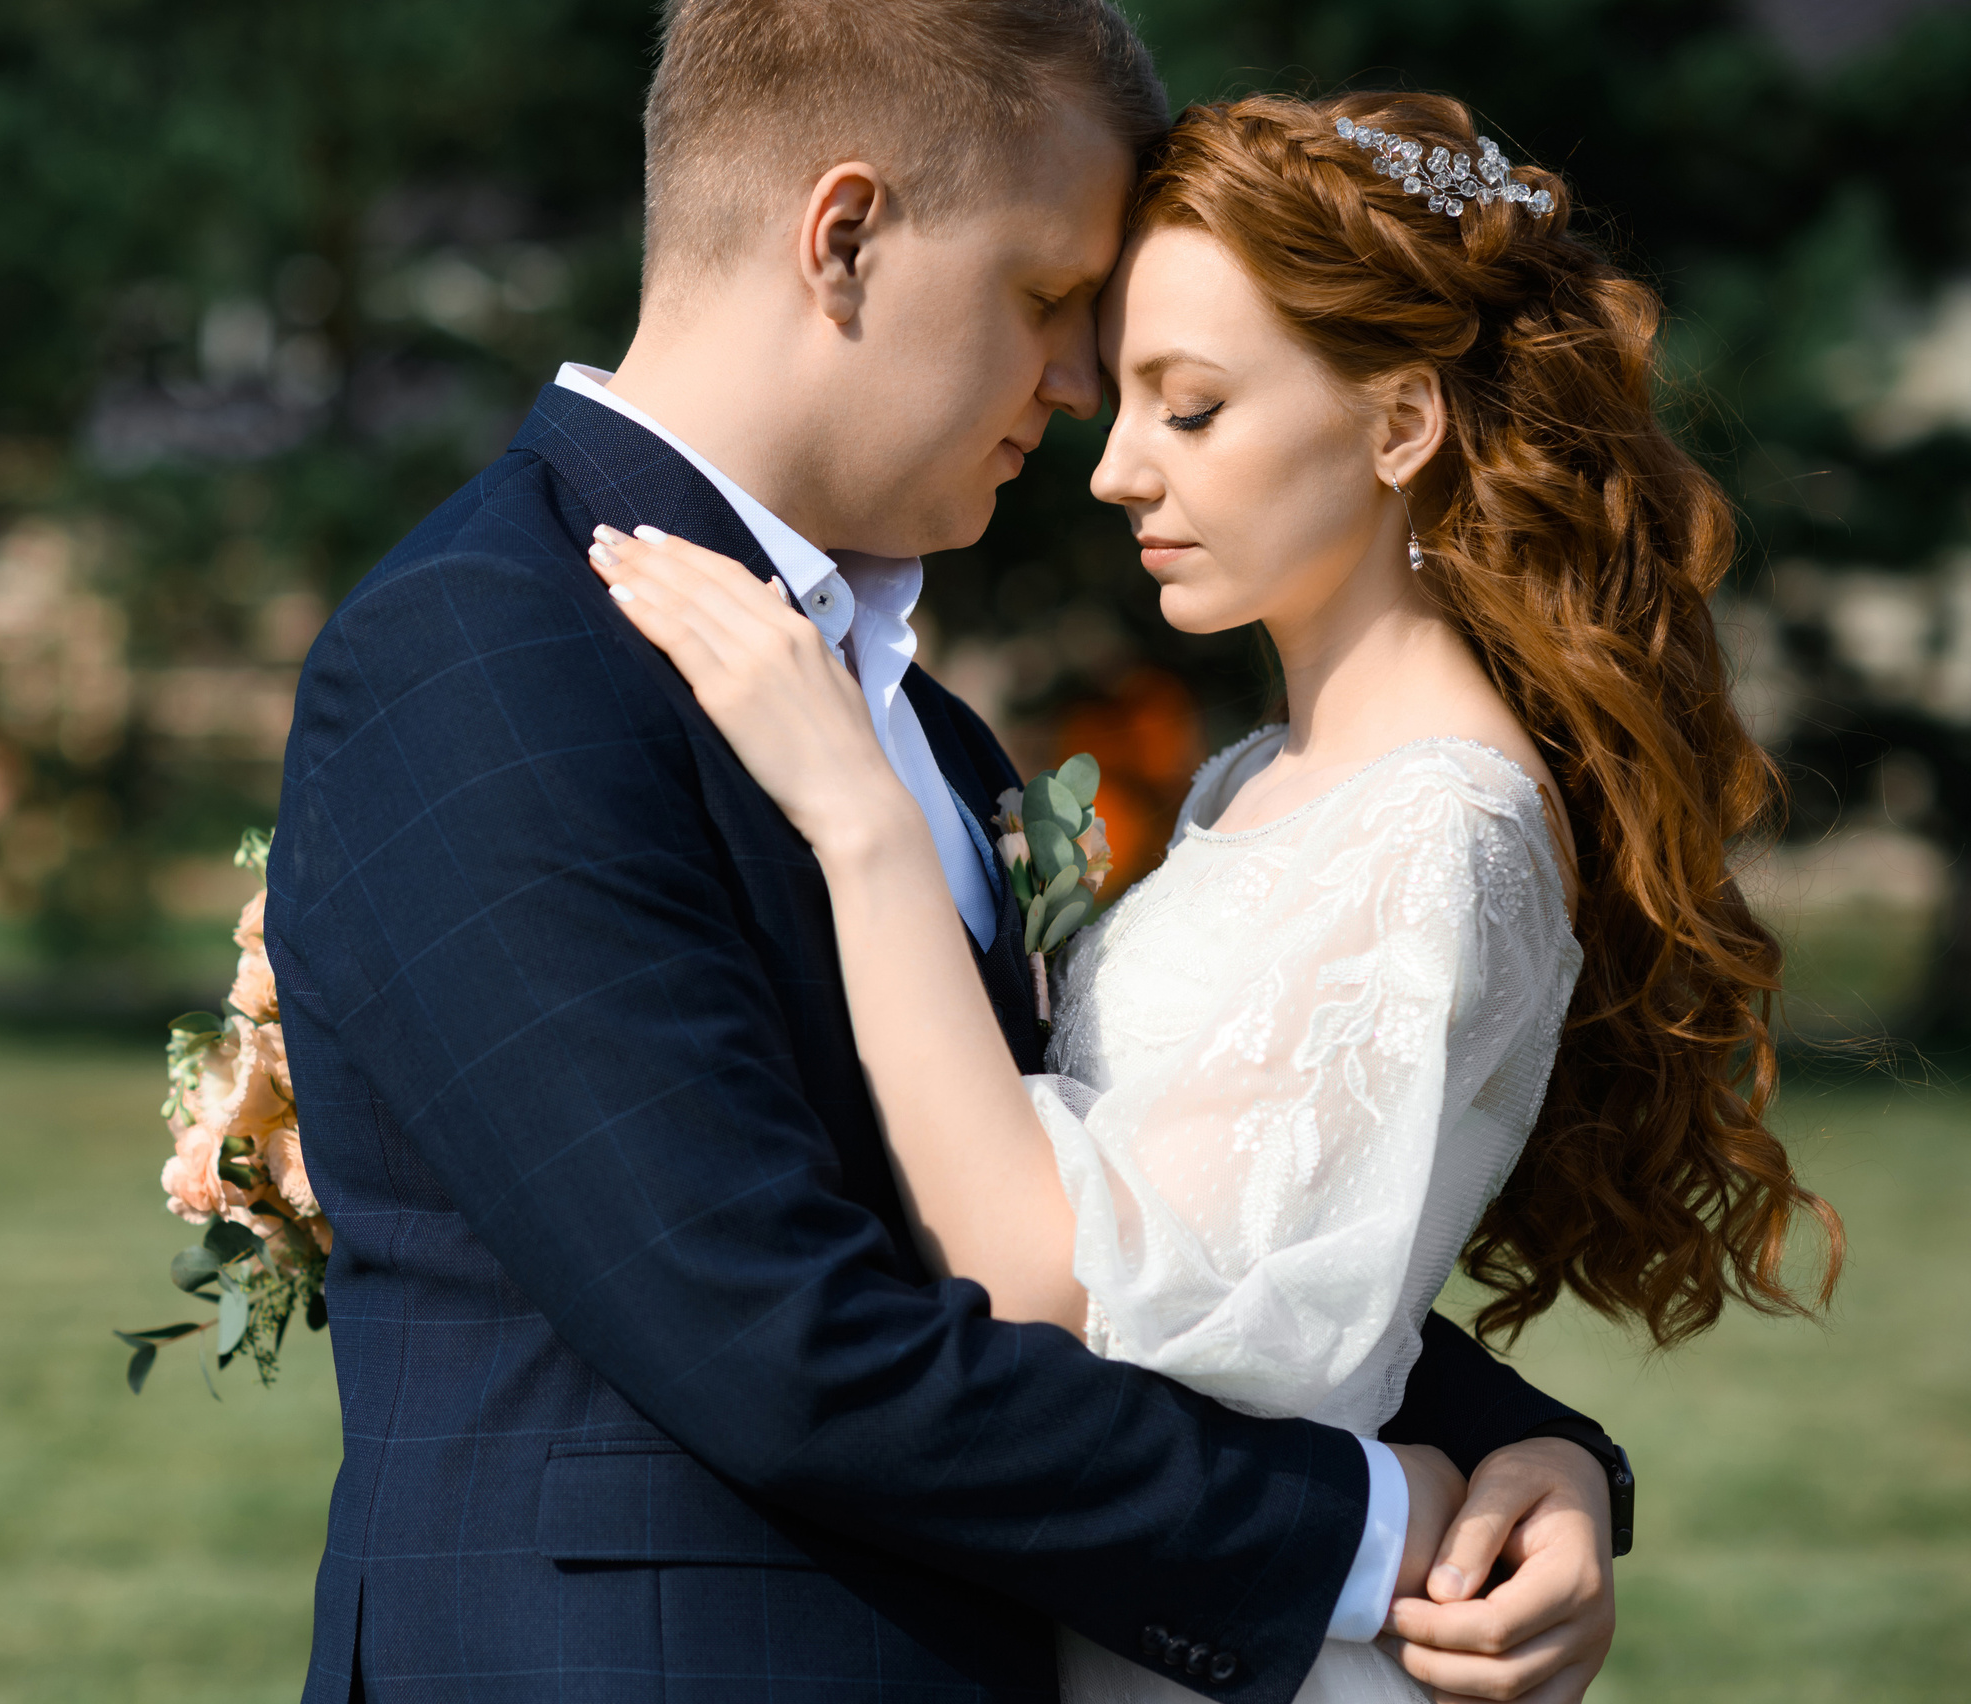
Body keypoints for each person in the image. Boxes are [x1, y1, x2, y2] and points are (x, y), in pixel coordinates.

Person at [266, 6, 1632, 1700]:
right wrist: (1363, 1529)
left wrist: (1531, 1459)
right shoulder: (491, 652)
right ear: (842, 240)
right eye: (1049, 299)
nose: (1077, 395)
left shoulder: (926, 731)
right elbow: (777, 1340)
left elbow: (1166, 1210)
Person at [583, 86, 1844, 1703]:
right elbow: (1224, 1244)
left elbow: (1059, 1284)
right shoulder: (1269, 780)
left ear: (1400, 426)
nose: (1112, 470)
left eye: (1192, 410)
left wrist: (864, 827)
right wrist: (1538, 1446)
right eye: (1123, 402)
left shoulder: (1438, 828)